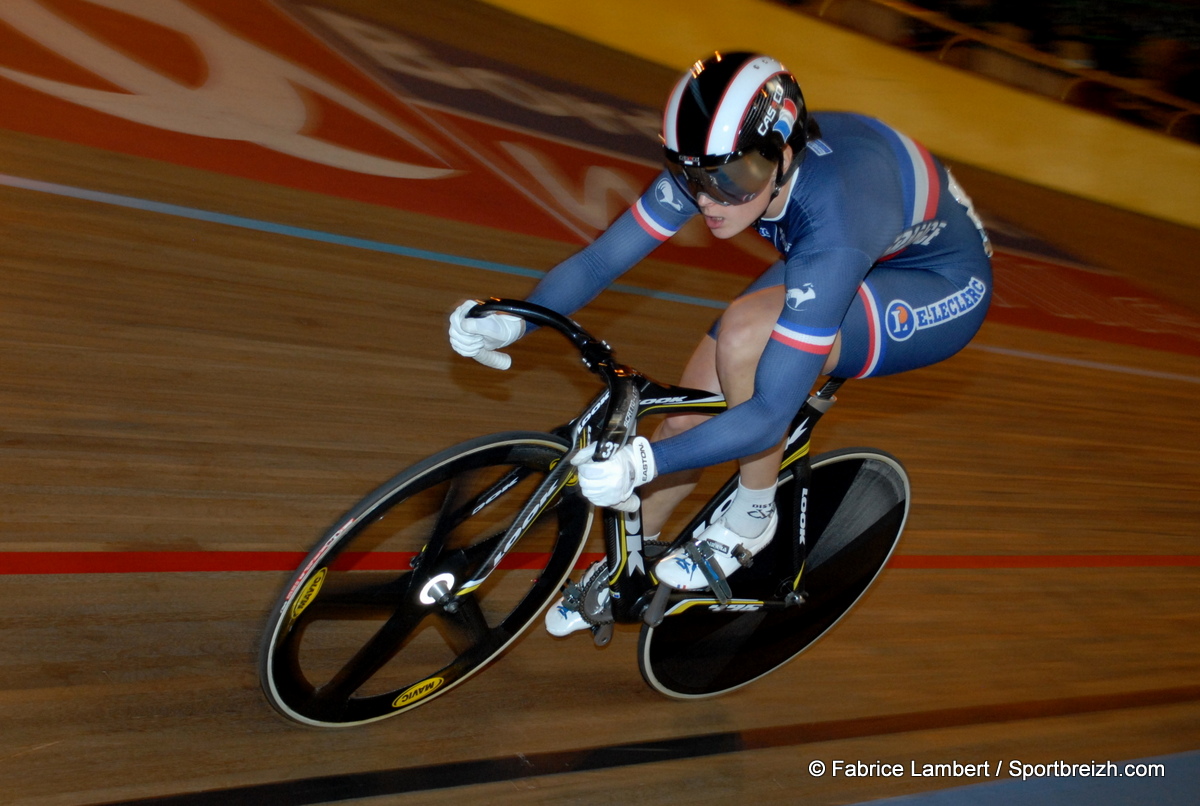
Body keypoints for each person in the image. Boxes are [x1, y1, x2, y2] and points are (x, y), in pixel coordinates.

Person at [449, 51, 992, 635]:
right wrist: (516, 319)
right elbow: (604, 258)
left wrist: (641, 462)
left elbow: (764, 417)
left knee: (745, 337)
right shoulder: (721, 159)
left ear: (782, 159)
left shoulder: (831, 211)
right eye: (689, 177)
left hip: (938, 283)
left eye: (727, 181)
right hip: (854, 245)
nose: (706, 198)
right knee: (684, 420)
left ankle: (754, 515)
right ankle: (626, 572)